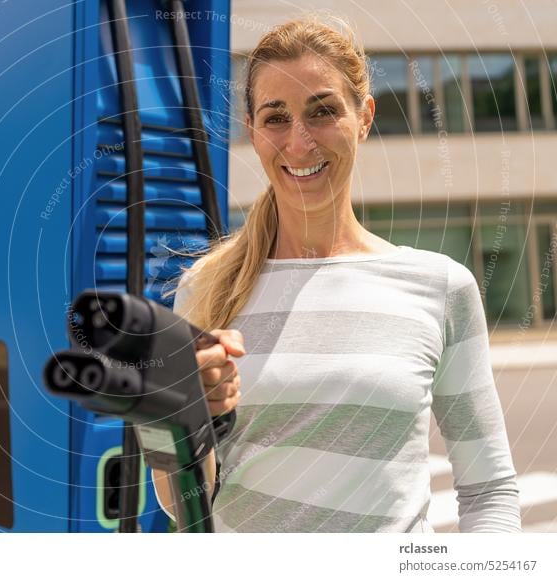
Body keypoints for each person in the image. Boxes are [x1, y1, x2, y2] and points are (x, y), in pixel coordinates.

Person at [152, 15, 521, 533]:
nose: (300, 143)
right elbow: (182, 502)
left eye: (322, 111)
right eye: (276, 117)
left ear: (364, 117)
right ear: (253, 129)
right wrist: (176, 419)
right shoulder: (205, 287)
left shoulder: (440, 287)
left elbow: (489, 491)